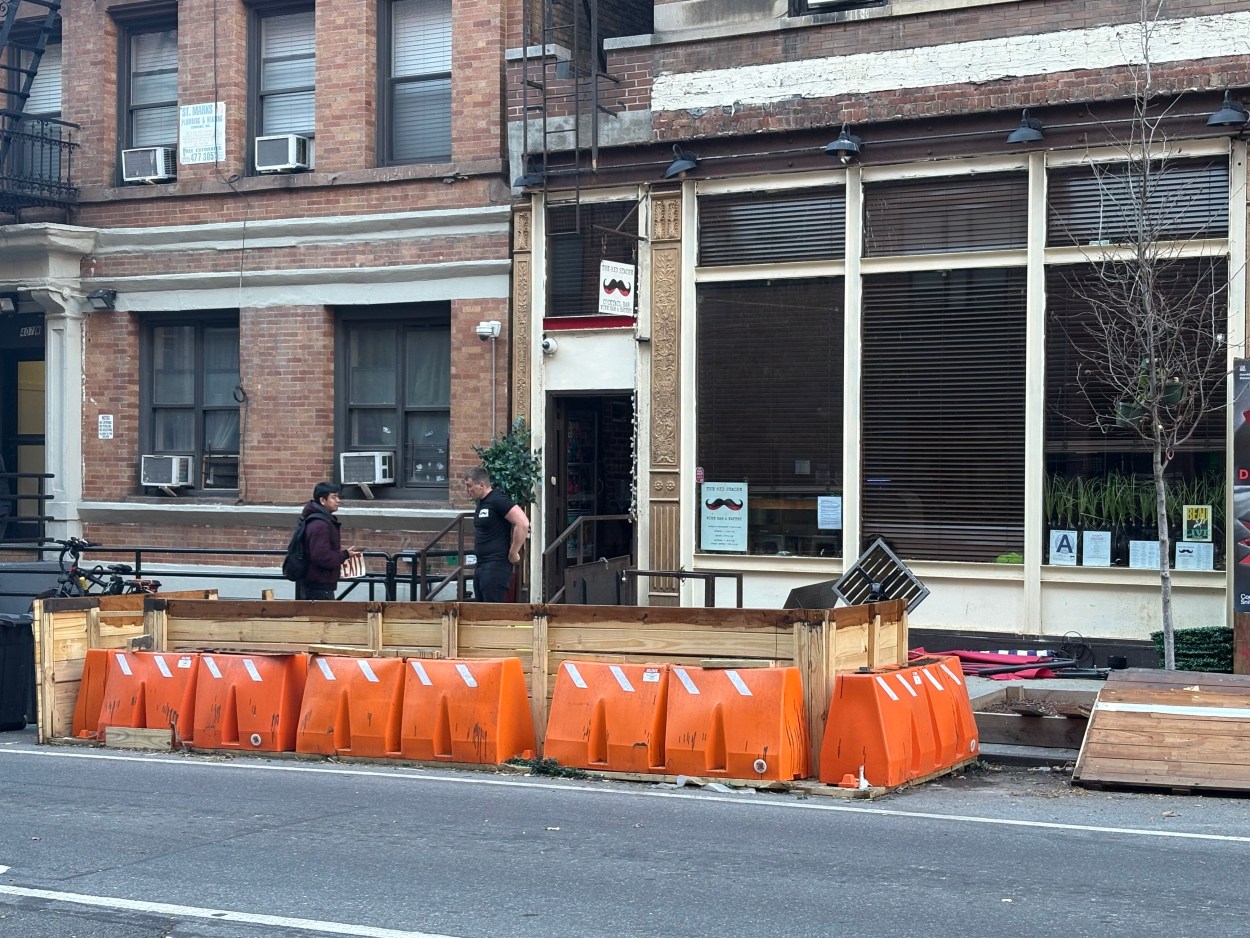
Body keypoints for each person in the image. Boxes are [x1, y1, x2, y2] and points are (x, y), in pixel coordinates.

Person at [464, 467, 529, 602]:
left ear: (481, 485)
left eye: (469, 486)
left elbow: (522, 523)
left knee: (492, 614)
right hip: (481, 565)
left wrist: (513, 552)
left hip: (496, 566)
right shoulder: (482, 503)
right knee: (481, 612)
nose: (467, 490)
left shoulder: (497, 499)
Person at [297, 482, 361, 600]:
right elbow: (321, 557)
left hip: (316, 582)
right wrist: (345, 554)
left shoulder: (318, 520)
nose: (338, 501)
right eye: (333, 497)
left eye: (338, 497)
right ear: (322, 500)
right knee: (322, 617)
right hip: (319, 584)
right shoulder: (320, 524)